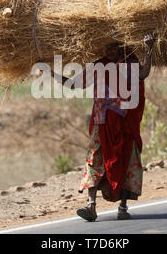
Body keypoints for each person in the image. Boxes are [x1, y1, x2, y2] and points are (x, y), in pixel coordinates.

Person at [51, 34, 155, 221]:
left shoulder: (130, 62)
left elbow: (143, 74)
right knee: (94, 160)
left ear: (121, 47)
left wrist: (149, 48)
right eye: (107, 48)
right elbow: (74, 84)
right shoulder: (98, 66)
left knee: (128, 161)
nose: (110, 51)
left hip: (125, 123)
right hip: (102, 122)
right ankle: (91, 206)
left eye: (114, 47)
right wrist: (52, 73)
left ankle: (123, 208)